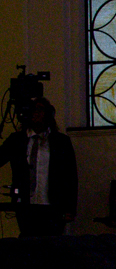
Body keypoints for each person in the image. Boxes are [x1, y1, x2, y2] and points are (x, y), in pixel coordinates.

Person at [2, 97, 77, 237]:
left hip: (53, 204)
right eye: (32, 110)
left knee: (51, 246)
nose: (35, 114)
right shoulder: (17, 140)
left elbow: (70, 176)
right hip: (25, 204)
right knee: (28, 244)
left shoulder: (60, 142)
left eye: (40, 110)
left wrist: (70, 208)